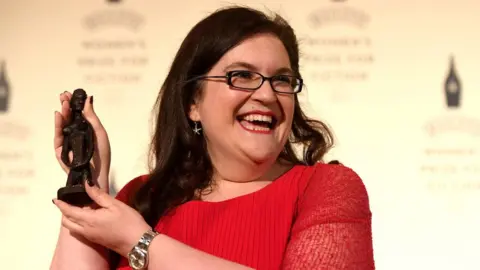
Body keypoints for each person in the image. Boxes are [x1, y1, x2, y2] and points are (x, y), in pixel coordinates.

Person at [50, 6, 374, 270]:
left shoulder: (326, 188)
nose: (267, 93)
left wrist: (140, 242)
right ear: (194, 103)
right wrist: (87, 183)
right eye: (242, 76)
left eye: (282, 80)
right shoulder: (144, 197)